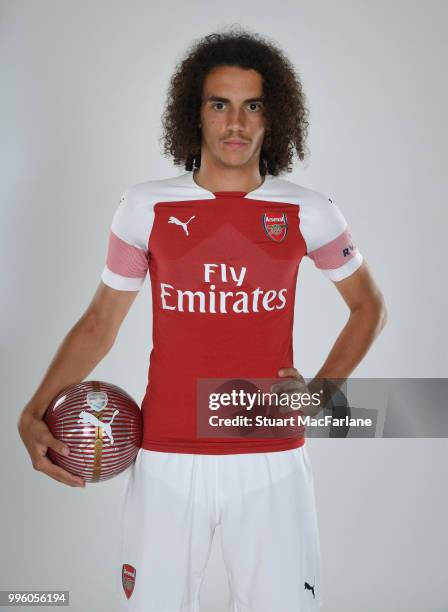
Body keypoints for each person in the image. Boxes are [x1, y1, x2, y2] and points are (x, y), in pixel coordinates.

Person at [18, 28, 387, 612]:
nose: (235, 123)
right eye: (219, 105)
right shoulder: (145, 207)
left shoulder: (309, 211)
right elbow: (99, 323)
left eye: (251, 105)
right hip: (165, 456)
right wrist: (33, 408)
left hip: (271, 457)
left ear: (275, 115)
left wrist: (322, 390)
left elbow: (369, 307)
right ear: (196, 115)